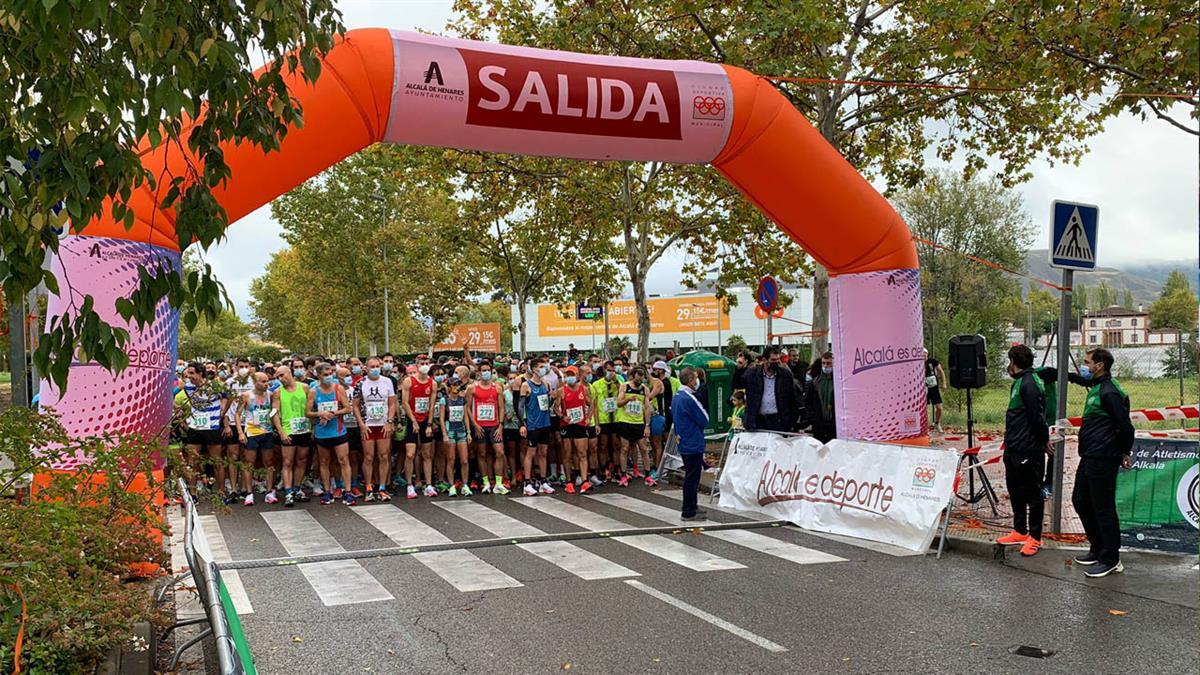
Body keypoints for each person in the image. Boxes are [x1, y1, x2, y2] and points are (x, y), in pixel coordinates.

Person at [1068, 348, 1135, 578]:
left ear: (1100, 365)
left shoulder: (1110, 391)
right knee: (1079, 499)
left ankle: (1111, 558)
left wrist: (1125, 451)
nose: (1084, 366)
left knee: (1103, 507)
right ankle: (1097, 547)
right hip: (1089, 455)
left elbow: (1125, 426)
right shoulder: (1096, 387)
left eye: (1087, 363)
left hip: (1104, 456)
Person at [995, 344, 1050, 556]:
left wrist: (1043, 440)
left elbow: (1037, 417)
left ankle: (1035, 537)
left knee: (1032, 493)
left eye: (1009, 362)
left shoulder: (1030, 383)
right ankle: (1019, 530)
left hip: (1028, 448)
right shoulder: (1019, 383)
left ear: (1014, 363)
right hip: (1014, 446)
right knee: (1015, 490)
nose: (1008, 366)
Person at [175, 362, 229, 498]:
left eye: (192, 373)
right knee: (192, 462)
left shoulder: (214, 386)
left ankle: (221, 492)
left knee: (217, 461)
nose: (189, 376)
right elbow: (175, 395)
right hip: (195, 428)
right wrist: (179, 410)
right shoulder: (188, 387)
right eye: (188, 373)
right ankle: (193, 494)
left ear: (200, 374)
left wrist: (222, 410)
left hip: (212, 428)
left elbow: (229, 396)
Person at [233, 372, 280, 506]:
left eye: (267, 381)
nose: (266, 384)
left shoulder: (270, 395)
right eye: (263, 381)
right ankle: (249, 492)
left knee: (269, 462)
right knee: (249, 463)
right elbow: (237, 414)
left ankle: (269, 491)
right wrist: (240, 433)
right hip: (252, 432)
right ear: (255, 382)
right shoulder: (246, 396)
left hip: (267, 431)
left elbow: (274, 411)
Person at [354, 357, 396, 502]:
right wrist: (361, 424)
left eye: (377, 366)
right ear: (366, 368)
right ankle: (369, 487)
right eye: (372, 366)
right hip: (368, 425)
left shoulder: (387, 381)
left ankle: (382, 487)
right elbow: (355, 406)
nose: (375, 369)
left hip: (383, 424)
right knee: (369, 456)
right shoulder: (360, 383)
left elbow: (392, 403)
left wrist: (390, 421)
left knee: (384, 456)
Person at [672, 367, 709, 521]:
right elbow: (704, 418)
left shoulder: (677, 396)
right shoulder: (689, 398)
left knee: (691, 476)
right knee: (692, 477)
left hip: (683, 439)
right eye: (695, 378)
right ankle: (688, 510)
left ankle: (692, 506)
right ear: (690, 380)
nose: (697, 381)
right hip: (692, 441)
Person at [467, 362, 509, 495]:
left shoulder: (497, 388)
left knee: (500, 452)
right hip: (480, 426)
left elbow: (501, 407)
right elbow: (467, 408)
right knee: (482, 453)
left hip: (494, 425)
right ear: (478, 373)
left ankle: (498, 483)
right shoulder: (472, 388)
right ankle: (485, 482)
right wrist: (475, 425)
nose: (486, 372)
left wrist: (501, 424)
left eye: (488, 370)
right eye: (483, 370)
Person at [273, 365, 311, 506]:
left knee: (302, 460)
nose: (280, 379)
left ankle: (297, 488)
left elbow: (310, 408)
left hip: (304, 429)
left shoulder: (305, 388)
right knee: (287, 462)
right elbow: (274, 413)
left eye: (282, 375)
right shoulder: (277, 392)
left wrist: (312, 427)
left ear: (290, 373)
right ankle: (288, 492)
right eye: (277, 377)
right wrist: (281, 431)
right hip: (289, 430)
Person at [554, 366, 594, 494]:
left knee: (582, 453)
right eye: (567, 375)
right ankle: (569, 481)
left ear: (577, 376)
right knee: (567, 454)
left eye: (572, 374)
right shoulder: (562, 390)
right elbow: (556, 407)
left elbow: (592, 403)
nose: (569, 377)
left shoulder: (584, 389)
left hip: (580, 424)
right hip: (567, 425)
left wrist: (589, 417)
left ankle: (584, 481)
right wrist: (562, 417)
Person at [402, 361, 439, 498]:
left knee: (427, 454)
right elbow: (405, 403)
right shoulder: (409, 381)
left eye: (426, 363)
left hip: (425, 420)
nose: (424, 365)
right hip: (412, 420)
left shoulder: (433, 383)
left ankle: (428, 485)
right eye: (421, 363)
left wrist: (429, 424)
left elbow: (431, 404)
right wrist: (413, 421)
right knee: (410, 454)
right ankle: (409, 485)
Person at [518, 359, 555, 495]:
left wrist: (553, 398)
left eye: (544, 366)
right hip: (533, 424)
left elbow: (547, 404)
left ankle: (543, 481)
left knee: (543, 452)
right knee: (531, 452)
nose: (543, 369)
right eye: (540, 367)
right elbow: (521, 406)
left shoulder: (546, 384)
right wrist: (522, 424)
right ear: (534, 369)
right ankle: (527, 482)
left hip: (545, 422)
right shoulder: (526, 385)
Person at [743, 346, 798, 433]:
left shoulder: (785, 375)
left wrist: (791, 423)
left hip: (778, 421)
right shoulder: (752, 374)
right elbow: (738, 384)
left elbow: (793, 399)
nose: (776, 362)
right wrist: (739, 369)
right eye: (773, 360)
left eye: (777, 359)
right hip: (758, 421)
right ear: (764, 360)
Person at [615, 366, 653, 487]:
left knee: (643, 448)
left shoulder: (645, 389)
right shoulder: (625, 386)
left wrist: (647, 425)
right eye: (637, 378)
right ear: (632, 376)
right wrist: (628, 400)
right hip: (625, 421)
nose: (639, 381)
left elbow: (647, 408)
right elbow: (618, 403)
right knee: (625, 449)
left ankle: (647, 475)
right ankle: (624, 475)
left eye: (641, 379)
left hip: (638, 423)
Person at [443, 376, 472, 496]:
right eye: (454, 385)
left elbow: (465, 416)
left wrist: (469, 432)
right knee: (451, 459)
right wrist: (444, 434)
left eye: (458, 385)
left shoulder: (462, 399)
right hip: (450, 430)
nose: (456, 387)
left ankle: (465, 484)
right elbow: (441, 418)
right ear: (449, 387)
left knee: (464, 460)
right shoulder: (445, 400)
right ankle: (451, 485)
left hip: (461, 430)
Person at [806, 352, 837, 442]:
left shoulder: (839, 381)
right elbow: (808, 402)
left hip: (834, 425)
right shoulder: (815, 382)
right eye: (823, 363)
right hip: (819, 424)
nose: (825, 366)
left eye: (828, 363)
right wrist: (813, 419)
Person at [924, 348, 947, 434]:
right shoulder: (917, 363)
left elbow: (941, 371)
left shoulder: (932, 361)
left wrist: (944, 383)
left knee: (939, 408)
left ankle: (937, 423)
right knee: (924, 409)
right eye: (921, 354)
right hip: (924, 388)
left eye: (925, 353)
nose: (923, 355)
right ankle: (925, 427)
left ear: (927, 354)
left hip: (934, 387)